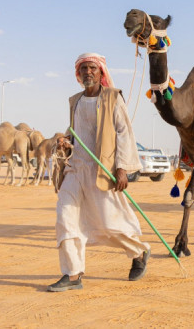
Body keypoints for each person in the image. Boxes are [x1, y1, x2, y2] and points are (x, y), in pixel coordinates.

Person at [48, 53, 149, 292]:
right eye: (83, 69)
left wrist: (122, 168)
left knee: (109, 223)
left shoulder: (113, 98)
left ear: (101, 71)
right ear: (78, 73)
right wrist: (66, 140)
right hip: (76, 169)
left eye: (92, 68)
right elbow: (76, 131)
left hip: (102, 169)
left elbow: (124, 132)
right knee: (65, 218)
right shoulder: (75, 100)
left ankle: (139, 251)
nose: (88, 72)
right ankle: (72, 275)